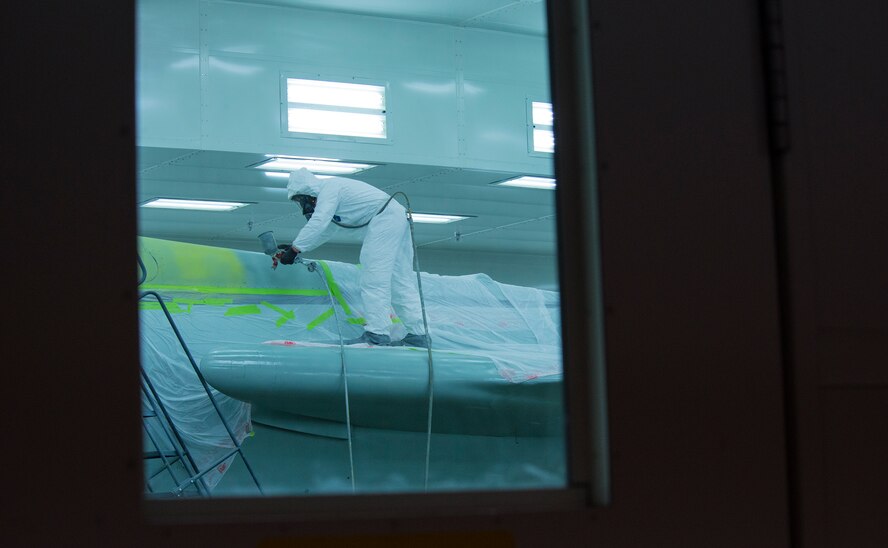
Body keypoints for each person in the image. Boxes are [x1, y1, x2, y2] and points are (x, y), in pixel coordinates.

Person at [278, 168, 429, 348]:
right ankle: (419, 335)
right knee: (399, 280)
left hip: (385, 217)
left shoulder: (329, 189)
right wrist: (297, 247)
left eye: (301, 200)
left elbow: (319, 221)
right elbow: (327, 230)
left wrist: (295, 249)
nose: (303, 205)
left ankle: (377, 333)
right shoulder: (331, 195)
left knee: (373, 277)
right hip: (394, 216)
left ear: (309, 193)